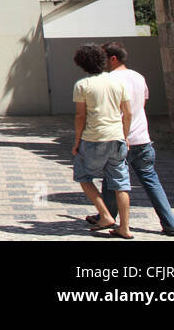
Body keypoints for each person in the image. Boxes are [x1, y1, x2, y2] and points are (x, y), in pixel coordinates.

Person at [90, 41, 174, 236]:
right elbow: (142, 104)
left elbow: (111, 111)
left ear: (113, 59)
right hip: (143, 138)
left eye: (104, 57)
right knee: (150, 180)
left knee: (112, 178)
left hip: (120, 138)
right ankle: (169, 222)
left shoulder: (108, 80)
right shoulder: (138, 77)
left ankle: (106, 217)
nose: (102, 62)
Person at [71, 42, 133, 238]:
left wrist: (77, 142)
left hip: (94, 138)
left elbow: (81, 116)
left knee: (83, 176)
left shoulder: (82, 85)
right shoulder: (119, 82)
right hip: (117, 138)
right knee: (121, 184)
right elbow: (128, 112)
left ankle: (105, 214)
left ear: (82, 64)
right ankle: (125, 228)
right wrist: (125, 135)